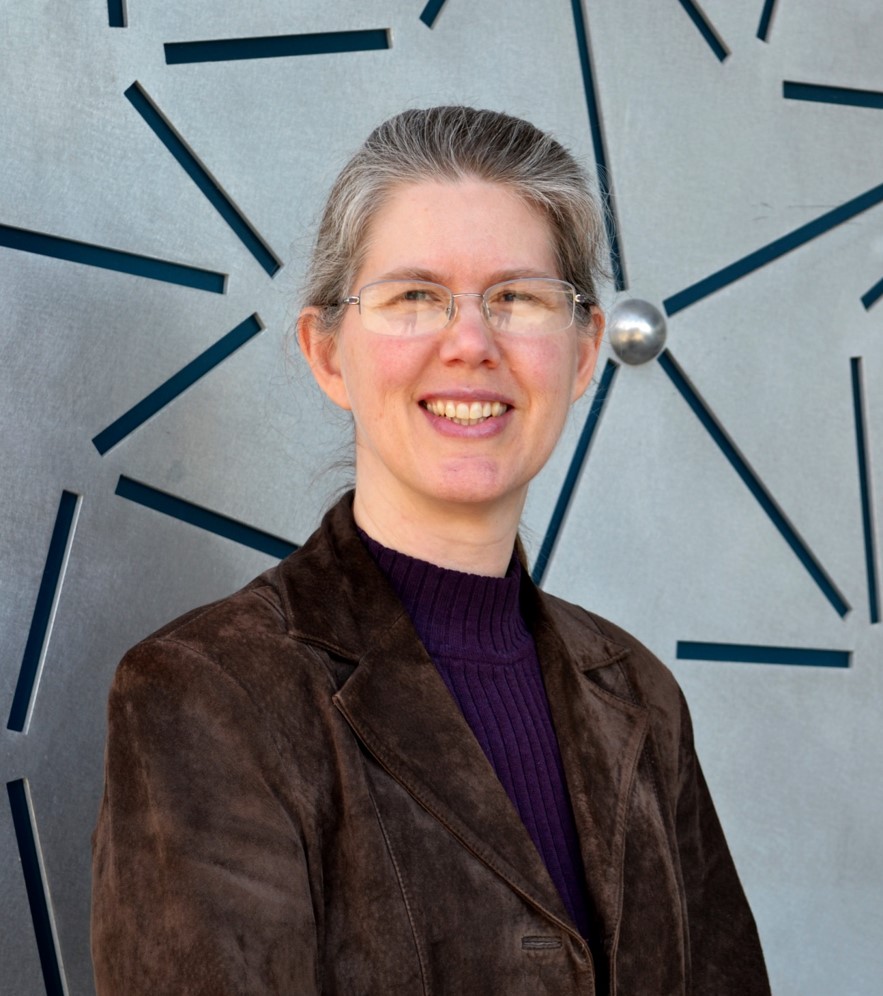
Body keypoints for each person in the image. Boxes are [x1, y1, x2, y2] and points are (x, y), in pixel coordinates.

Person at [91, 106, 770, 995]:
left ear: (582, 353)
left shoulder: (639, 693)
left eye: (517, 299)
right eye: (415, 297)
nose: (470, 343)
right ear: (327, 352)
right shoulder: (208, 691)